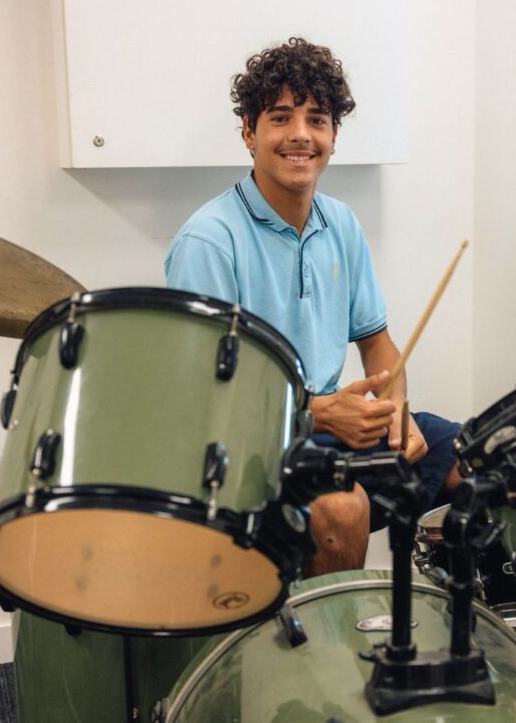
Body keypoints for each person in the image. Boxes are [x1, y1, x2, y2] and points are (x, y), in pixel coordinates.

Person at [164, 37, 461, 576]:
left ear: (333, 136)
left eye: (316, 119)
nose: (300, 134)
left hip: (325, 433)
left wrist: (397, 406)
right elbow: (207, 396)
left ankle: (507, 650)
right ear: (249, 133)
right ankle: (330, 657)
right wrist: (322, 411)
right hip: (243, 446)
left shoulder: (341, 222)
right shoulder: (208, 241)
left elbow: (376, 342)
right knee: (341, 509)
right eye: (280, 118)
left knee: (487, 460)